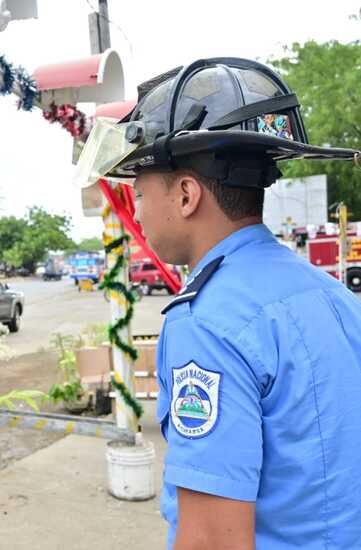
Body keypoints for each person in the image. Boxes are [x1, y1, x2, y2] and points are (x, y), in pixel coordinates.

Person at [79, 58, 361, 549]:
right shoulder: (332, 294)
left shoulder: (207, 322)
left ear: (186, 194)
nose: (138, 211)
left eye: (140, 191)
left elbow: (213, 539)